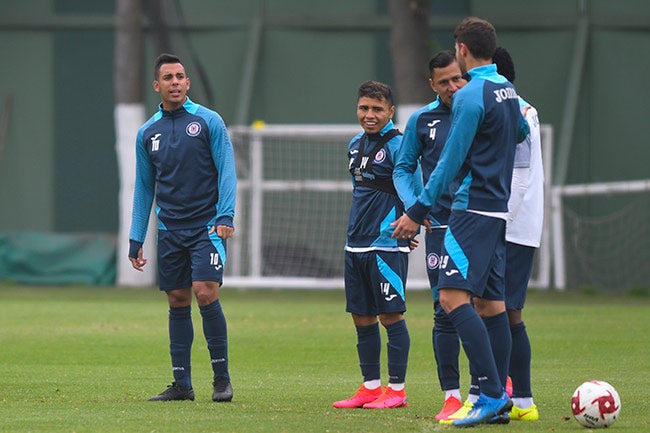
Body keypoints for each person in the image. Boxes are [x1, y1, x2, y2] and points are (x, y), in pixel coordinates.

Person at [391, 16, 529, 427]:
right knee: (491, 305)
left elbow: (450, 162)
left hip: (469, 210)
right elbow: (520, 132)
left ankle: (488, 393)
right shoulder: (507, 89)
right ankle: (498, 401)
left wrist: (417, 211)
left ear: (462, 51)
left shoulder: (471, 96)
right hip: (498, 209)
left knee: (450, 300)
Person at [128, 53, 237, 403]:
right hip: (169, 230)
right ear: (156, 86)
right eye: (168, 78)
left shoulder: (208, 121)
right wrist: (136, 237)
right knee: (177, 299)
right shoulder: (147, 133)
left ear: (188, 83)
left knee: (204, 291)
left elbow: (227, 171)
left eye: (180, 76)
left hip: (206, 226)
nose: (175, 82)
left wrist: (226, 215)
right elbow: (145, 187)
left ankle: (221, 379)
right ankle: (182, 385)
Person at [333, 80, 420, 410]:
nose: (369, 115)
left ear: (391, 112)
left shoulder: (400, 147)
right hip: (355, 244)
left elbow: (410, 188)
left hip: (385, 245)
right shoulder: (354, 145)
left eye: (377, 109)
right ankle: (370, 387)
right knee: (361, 316)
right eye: (364, 108)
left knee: (390, 315)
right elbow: (361, 192)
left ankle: (396, 390)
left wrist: (408, 224)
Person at [392, 50, 468, 421]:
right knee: (444, 311)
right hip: (439, 227)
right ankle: (452, 396)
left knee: (491, 307)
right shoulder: (422, 120)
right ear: (432, 84)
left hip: (480, 222)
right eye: (444, 82)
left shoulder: (481, 110)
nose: (453, 87)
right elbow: (403, 168)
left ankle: (499, 387)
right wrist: (414, 206)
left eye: (458, 78)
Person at [493, 45, 544, 421]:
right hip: (510, 223)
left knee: (506, 310)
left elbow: (520, 175)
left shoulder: (518, 111)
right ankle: (509, 394)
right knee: (500, 309)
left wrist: (500, 221)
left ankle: (518, 398)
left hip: (510, 225)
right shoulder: (516, 108)